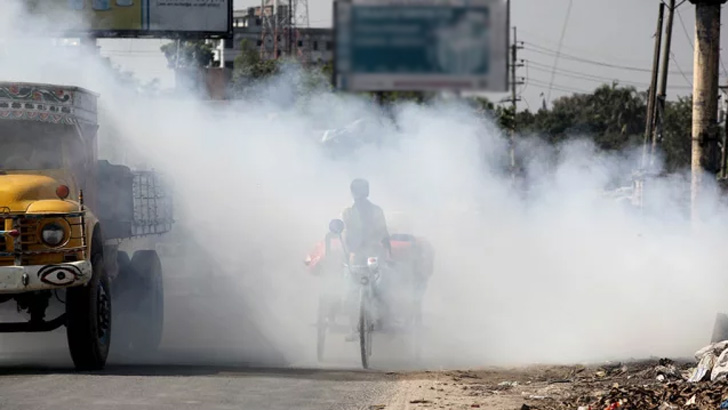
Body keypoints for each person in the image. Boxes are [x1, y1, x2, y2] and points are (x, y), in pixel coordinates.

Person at [339, 178, 393, 341]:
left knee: (380, 283)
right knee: (349, 289)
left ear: (367, 191)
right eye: (357, 190)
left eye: (363, 190)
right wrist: (350, 252)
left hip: (373, 254)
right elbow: (345, 234)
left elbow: (383, 234)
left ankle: (381, 317)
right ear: (353, 192)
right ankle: (353, 326)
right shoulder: (347, 213)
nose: (360, 193)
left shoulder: (377, 211)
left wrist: (386, 252)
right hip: (355, 255)